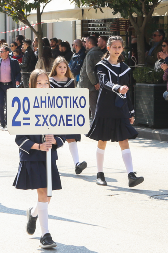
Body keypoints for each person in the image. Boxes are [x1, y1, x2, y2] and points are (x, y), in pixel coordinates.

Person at [87, 35, 144, 188]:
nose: (117, 50)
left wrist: (131, 112)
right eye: (114, 47)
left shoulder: (125, 68)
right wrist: (117, 88)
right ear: (108, 48)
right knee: (103, 140)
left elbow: (128, 91)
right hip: (105, 107)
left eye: (119, 47)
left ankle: (131, 175)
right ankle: (99, 174)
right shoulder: (101, 65)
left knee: (124, 140)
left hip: (121, 107)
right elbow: (104, 82)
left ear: (122, 49)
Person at [16, 69, 64, 249]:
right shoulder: (23, 105)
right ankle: (46, 235)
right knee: (43, 192)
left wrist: (55, 141)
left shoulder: (55, 106)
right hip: (32, 157)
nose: (44, 86)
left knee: (48, 196)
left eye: (46, 83)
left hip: (49, 157)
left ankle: (34, 213)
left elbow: (63, 134)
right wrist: (39, 146)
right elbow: (19, 140)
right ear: (32, 85)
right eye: (39, 83)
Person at [49, 56, 88, 174]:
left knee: (72, 138)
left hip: (68, 114)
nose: (62, 69)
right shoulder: (49, 81)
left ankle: (77, 163)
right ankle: (51, 163)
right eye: (60, 67)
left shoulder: (71, 81)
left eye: (65, 67)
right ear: (55, 68)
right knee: (53, 139)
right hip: (54, 114)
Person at [0, 45, 22, 131]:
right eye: (0, 51)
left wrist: (17, 80)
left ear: (7, 52)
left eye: (2, 51)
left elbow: (18, 73)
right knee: (1, 105)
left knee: (9, 105)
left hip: (10, 85)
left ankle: (8, 122)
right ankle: (2, 123)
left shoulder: (14, 62)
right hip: (1, 86)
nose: (0, 53)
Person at [78, 36, 102, 120]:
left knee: (91, 107)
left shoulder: (90, 54)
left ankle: (94, 127)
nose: (84, 44)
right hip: (96, 84)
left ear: (89, 43)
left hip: (88, 85)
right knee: (94, 106)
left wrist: (95, 83)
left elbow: (89, 71)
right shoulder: (100, 53)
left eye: (86, 42)